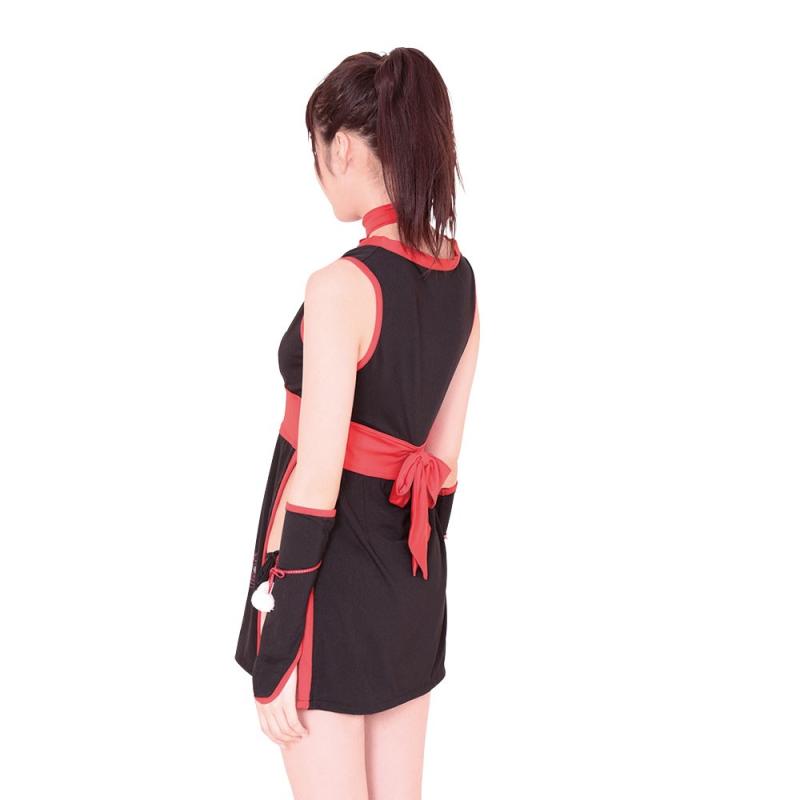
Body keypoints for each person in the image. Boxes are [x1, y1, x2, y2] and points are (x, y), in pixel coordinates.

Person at [234, 47, 480, 800]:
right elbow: (444, 469)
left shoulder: (342, 284)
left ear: (340, 147)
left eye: (316, 150)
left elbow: (315, 481)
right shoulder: (463, 278)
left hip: (325, 587)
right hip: (412, 583)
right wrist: (412, 599)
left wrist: (278, 638)